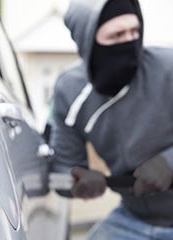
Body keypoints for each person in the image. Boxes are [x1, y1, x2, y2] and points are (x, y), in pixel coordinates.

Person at [50, 0, 173, 239]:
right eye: (117, 35)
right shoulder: (70, 91)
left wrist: (168, 163)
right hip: (133, 220)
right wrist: (78, 182)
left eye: (134, 31)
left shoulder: (168, 68)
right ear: (88, 40)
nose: (129, 41)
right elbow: (63, 169)